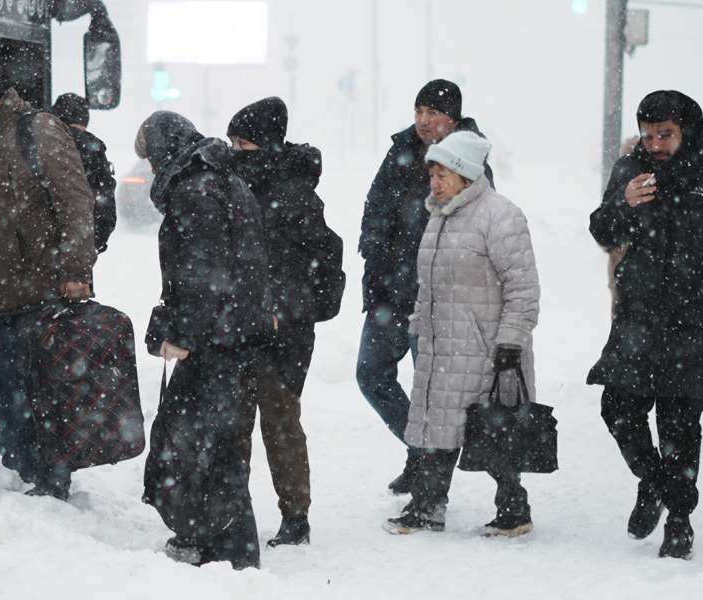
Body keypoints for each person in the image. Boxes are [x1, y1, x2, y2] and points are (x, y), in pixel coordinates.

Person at [588, 90, 703, 559]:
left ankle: (680, 521)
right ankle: (653, 481)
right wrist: (623, 203)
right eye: (648, 135)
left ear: (688, 130)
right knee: (618, 409)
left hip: (693, 321)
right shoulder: (631, 169)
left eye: (665, 134)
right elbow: (602, 229)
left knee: (679, 424)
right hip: (638, 316)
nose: (656, 144)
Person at [0, 66, 97, 499]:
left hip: (42, 290)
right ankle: (27, 469)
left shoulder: (37, 130)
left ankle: (51, 478)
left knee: (43, 389)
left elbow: (76, 203)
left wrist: (76, 271)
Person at [382, 131, 539, 537]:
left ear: (466, 175)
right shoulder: (439, 216)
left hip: (487, 348)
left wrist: (511, 341)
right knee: (439, 427)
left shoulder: (500, 216)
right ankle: (428, 506)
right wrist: (418, 324)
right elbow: (429, 284)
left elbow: (522, 288)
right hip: (442, 345)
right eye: (431, 174)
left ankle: (514, 509)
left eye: (443, 174)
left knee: (492, 429)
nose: (434, 182)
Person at [137, 111, 274, 570]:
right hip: (232, 330)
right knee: (214, 440)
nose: (152, 168)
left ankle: (227, 547)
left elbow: (201, 273)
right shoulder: (219, 179)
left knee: (202, 442)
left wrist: (181, 333)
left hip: (217, 336)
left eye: (152, 158)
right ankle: (216, 538)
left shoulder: (195, 189)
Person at [357, 79, 494, 494]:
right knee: (371, 375)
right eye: (418, 111)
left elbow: (479, 227)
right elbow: (375, 206)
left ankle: (445, 482)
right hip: (389, 292)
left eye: (433, 113)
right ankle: (419, 452)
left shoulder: (469, 157)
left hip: (437, 297)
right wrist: (374, 248)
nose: (423, 120)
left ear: (453, 118)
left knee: (433, 392)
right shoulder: (401, 148)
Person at [226, 96, 345, 547]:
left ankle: (295, 517)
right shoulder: (237, 187)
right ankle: (232, 510)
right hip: (241, 325)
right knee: (235, 423)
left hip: (283, 334)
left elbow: (324, 257)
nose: (235, 151)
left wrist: (295, 311)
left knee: (279, 424)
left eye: (243, 144)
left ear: (266, 145)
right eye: (232, 143)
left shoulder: (295, 195)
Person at [52, 92, 117, 254]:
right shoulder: (92, 148)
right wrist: (93, 245)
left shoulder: (36, 142)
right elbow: (104, 209)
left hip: (35, 248)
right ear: (84, 119)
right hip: (77, 246)